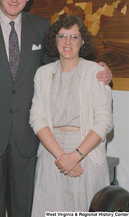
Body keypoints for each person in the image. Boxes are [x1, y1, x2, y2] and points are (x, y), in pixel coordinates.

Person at [0, 0, 112, 217]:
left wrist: (103, 74)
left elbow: (61, 66)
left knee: (27, 205)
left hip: (28, 136)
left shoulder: (41, 26)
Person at [29, 14, 113, 215]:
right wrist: (62, 157)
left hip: (86, 154)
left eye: (74, 37)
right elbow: (37, 117)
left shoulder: (96, 72)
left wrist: (75, 156)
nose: (68, 42)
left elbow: (104, 121)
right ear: (55, 40)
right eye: (62, 36)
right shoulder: (42, 74)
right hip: (52, 154)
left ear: (82, 41)